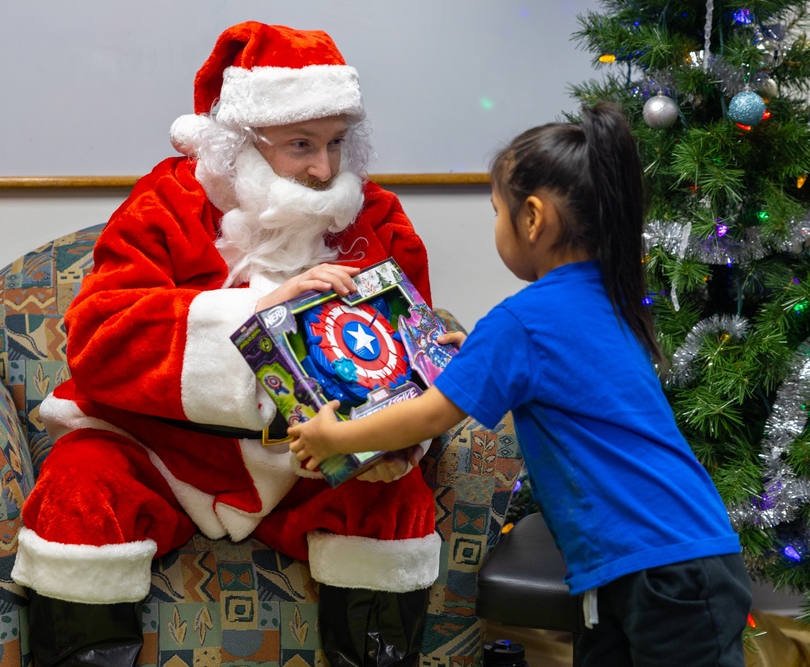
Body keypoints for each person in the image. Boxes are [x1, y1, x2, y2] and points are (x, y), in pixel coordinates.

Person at [10, 21, 439, 667]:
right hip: (161, 448)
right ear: (242, 140)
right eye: (301, 144)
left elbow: (410, 352)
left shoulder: (373, 215)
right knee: (80, 489)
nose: (324, 170)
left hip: (311, 460)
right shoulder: (169, 200)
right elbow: (99, 336)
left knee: (394, 501)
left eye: (335, 143)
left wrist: (394, 440)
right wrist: (256, 312)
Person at [290, 103, 754, 667]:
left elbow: (430, 416)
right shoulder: (609, 294)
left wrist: (335, 436)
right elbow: (550, 369)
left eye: (494, 212)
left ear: (533, 219)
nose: (494, 225)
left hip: (660, 571)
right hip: (660, 559)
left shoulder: (523, 323)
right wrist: (480, 356)